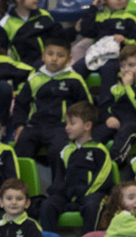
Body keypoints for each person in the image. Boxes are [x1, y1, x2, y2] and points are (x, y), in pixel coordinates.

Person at [10, 38, 90, 171]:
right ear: (43, 56)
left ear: (69, 59)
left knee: (59, 151)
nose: (54, 59)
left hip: (61, 128)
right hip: (34, 126)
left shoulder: (74, 79)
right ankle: (19, 188)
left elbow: (85, 107)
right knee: (21, 148)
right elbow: (20, 105)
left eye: (60, 55)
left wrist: (77, 128)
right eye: (50, 54)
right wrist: (19, 127)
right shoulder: (34, 78)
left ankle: (59, 189)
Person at [36, 101, 113, 234]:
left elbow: (102, 178)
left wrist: (82, 195)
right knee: (48, 204)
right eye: (66, 123)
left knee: (93, 205)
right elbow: (59, 178)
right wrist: (61, 194)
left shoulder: (99, 150)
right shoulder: (66, 150)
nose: (67, 127)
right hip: (69, 195)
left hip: (90, 194)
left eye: (72, 123)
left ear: (87, 125)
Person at [91, 44, 136, 163]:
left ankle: (113, 163)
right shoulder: (117, 88)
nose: (126, 69)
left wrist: (129, 87)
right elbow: (105, 107)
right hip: (116, 121)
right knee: (94, 137)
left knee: (125, 133)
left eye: (131, 65)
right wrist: (109, 118)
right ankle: (89, 160)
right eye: (122, 66)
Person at [0, 0, 63, 69]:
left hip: (49, 69)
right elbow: (1, 54)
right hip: (24, 72)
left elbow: (58, 41)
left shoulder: (44, 16)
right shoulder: (5, 24)